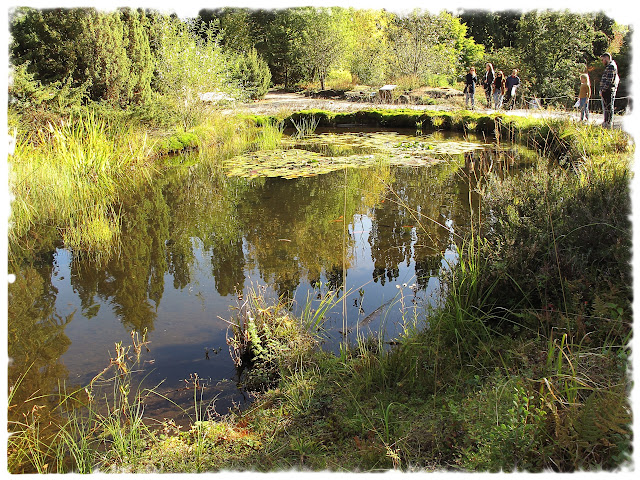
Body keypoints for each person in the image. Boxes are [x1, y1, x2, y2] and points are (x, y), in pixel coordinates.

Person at [599, 52, 619, 128]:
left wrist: (603, 89)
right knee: (607, 106)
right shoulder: (610, 66)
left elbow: (609, 80)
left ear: (607, 58)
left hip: (608, 90)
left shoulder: (611, 66)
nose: (602, 61)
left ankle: (608, 122)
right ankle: (606, 121)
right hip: (607, 90)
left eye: (603, 59)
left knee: (608, 106)